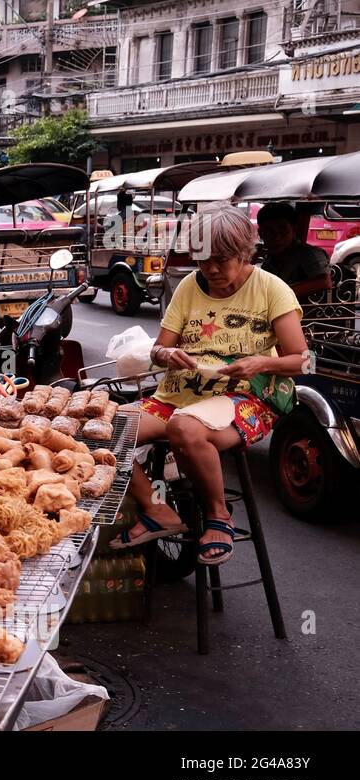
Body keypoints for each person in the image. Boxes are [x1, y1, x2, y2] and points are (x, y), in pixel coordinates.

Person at [114, 204, 307, 566]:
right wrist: (167, 356)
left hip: (244, 399)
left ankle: (219, 516)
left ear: (245, 252)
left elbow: (303, 360)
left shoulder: (271, 289)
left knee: (184, 428)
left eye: (221, 260)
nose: (211, 270)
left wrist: (261, 362)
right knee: (107, 429)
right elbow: (159, 348)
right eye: (203, 260)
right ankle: (157, 510)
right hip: (177, 396)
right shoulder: (189, 286)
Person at [255, 202, 331, 297]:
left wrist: (276, 296)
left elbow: (324, 282)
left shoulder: (307, 254)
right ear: (260, 233)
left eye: (282, 229)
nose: (276, 236)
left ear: (294, 229)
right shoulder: (270, 258)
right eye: (268, 231)